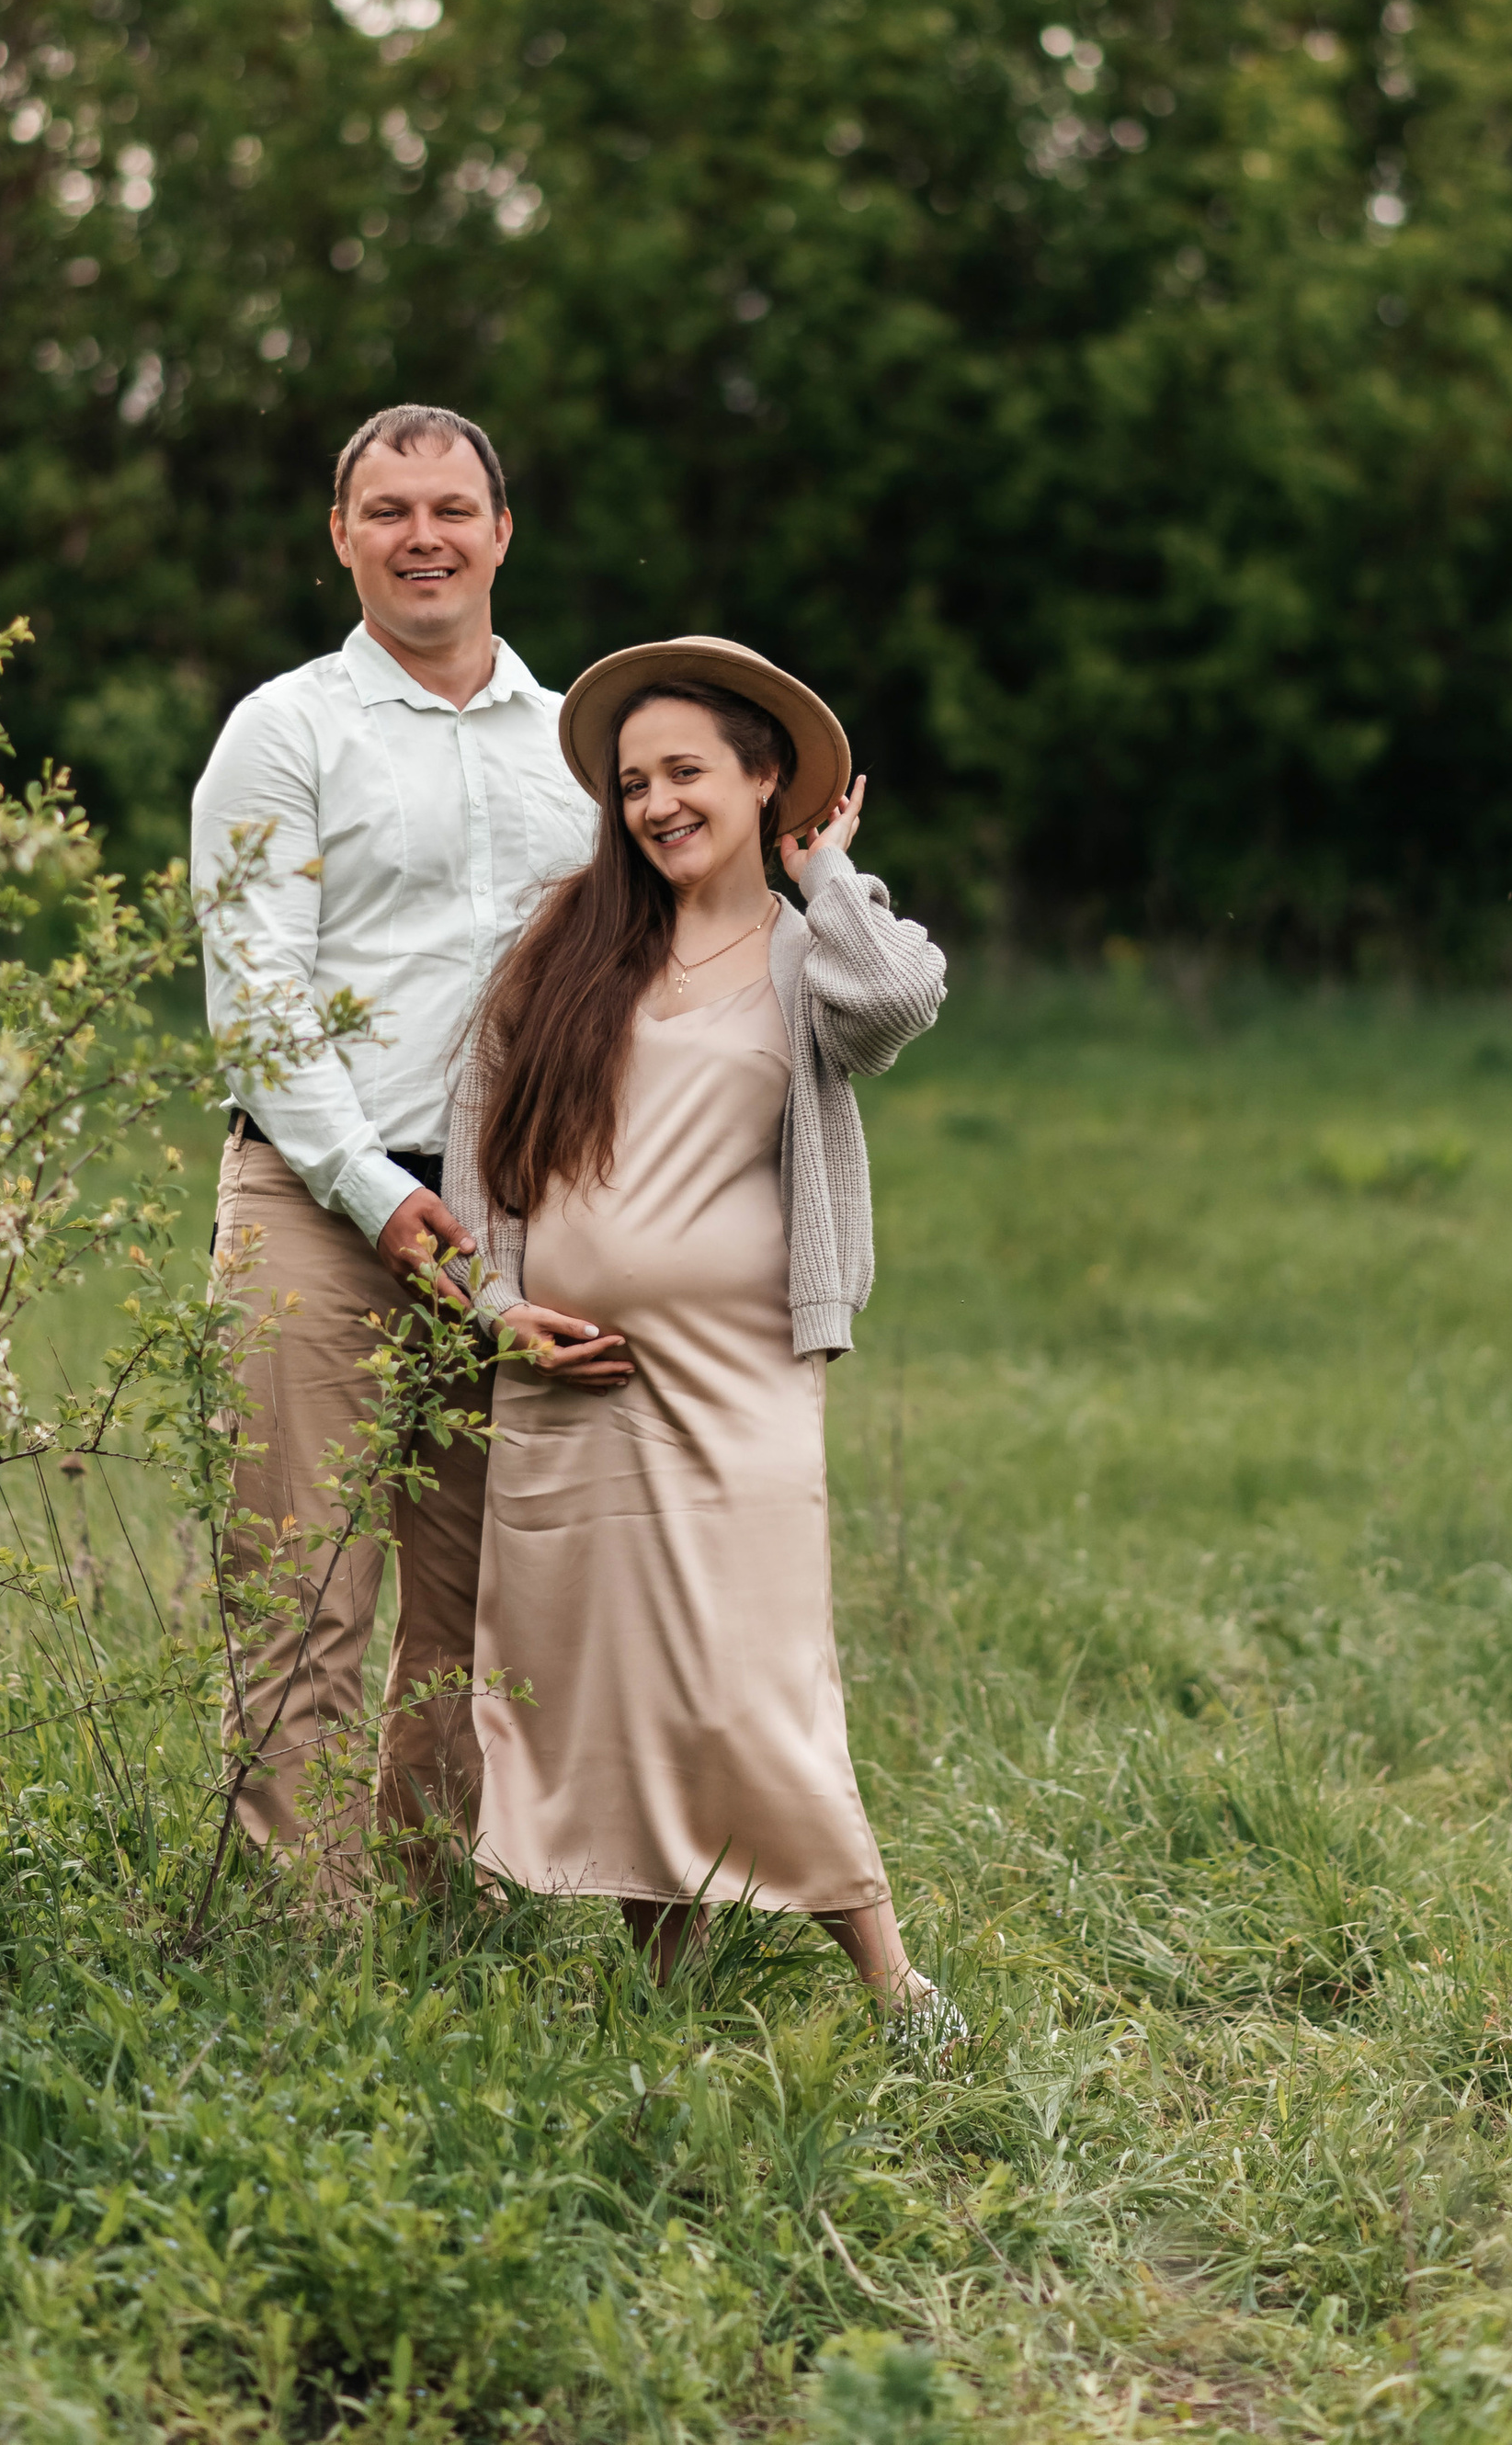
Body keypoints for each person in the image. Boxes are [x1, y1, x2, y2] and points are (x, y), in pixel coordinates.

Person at [443, 634, 952, 2012]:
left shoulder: (811, 952)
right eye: (634, 782)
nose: (658, 802)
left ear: (762, 776)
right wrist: (501, 1309)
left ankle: (892, 1982)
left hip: (736, 1376)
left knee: (751, 1672)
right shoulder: (566, 939)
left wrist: (824, 870)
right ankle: (659, 1982)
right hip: (569, 1378)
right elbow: (476, 1151)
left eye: (687, 773)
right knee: (606, 1680)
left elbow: (904, 999)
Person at [189, 401, 595, 1896]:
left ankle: (436, 1930)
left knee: (483, 1603)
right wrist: (375, 1193)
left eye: (450, 508)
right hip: (316, 1197)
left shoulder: (578, 748)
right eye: (387, 511)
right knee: (303, 1597)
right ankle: (303, 1960)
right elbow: (258, 998)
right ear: (341, 537)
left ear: (502, 531)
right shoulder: (285, 731)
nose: (422, 536)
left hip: (516, 1216)